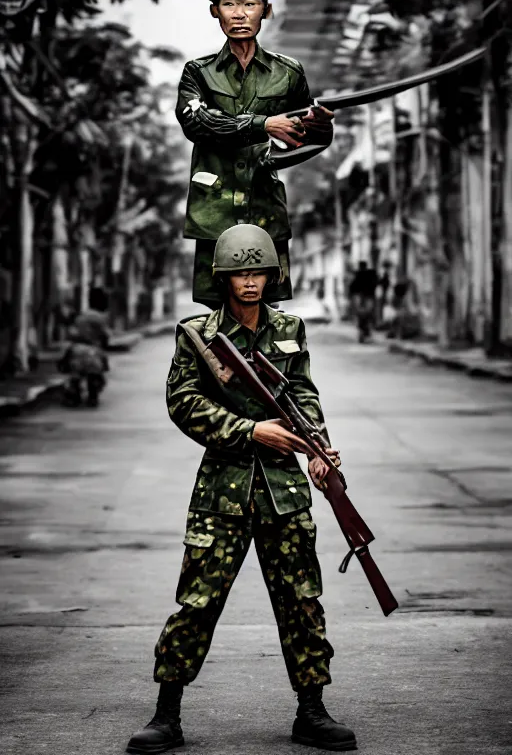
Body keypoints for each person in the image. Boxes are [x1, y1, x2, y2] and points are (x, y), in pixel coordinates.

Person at [126, 225, 357, 753]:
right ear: (223, 278)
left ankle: (312, 711)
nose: (249, 282)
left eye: (258, 272)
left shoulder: (290, 329)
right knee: (197, 602)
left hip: (284, 487)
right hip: (222, 489)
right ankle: (167, 714)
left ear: (273, 276)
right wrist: (250, 430)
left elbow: (303, 393)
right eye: (239, 273)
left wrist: (317, 448)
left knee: (302, 601)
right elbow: (183, 402)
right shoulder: (199, 335)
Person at [176, 0, 334, 309]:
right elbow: (197, 123)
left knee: (268, 310)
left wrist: (320, 128)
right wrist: (263, 124)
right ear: (215, 12)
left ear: (265, 9)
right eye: (229, 4)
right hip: (214, 212)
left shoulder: (289, 72)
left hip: (265, 209)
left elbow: (301, 138)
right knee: (215, 312)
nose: (239, 13)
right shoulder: (198, 72)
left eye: (250, 4)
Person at [57, 288, 110, 407]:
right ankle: (92, 395)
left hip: (76, 350)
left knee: (72, 372)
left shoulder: (80, 316)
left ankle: (73, 392)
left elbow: (71, 334)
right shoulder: (100, 318)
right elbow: (105, 336)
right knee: (99, 370)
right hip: (92, 351)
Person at [349, 261, 378, 343]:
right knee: (366, 316)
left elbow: (352, 288)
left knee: (362, 316)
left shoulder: (359, 275)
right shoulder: (369, 275)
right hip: (367, 298)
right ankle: (365, 332)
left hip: (363, 299)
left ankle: (364, 332)